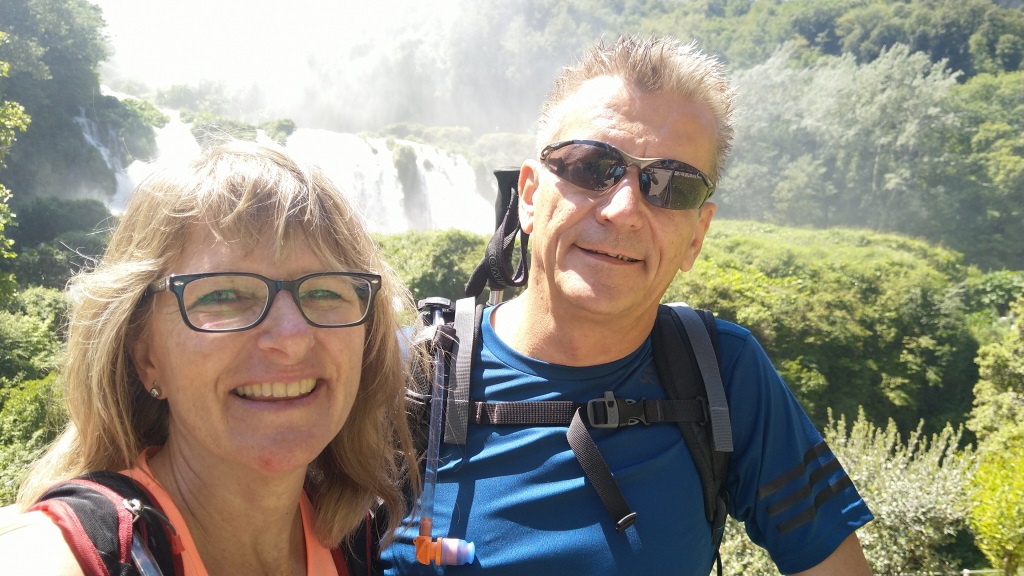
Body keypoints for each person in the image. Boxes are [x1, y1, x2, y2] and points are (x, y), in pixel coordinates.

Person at [380, 34, 874, 575]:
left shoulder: (724, 374)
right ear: (527, 194)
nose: (624, 210)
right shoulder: (407, 374)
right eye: (593, 166)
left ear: (696, 236)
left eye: (670, 184)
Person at [0, 141, 421, 575]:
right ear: (146, 356)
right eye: (224, 295)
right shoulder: (80, 555)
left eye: (324, 290)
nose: (292, 338)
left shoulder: (358, 537)